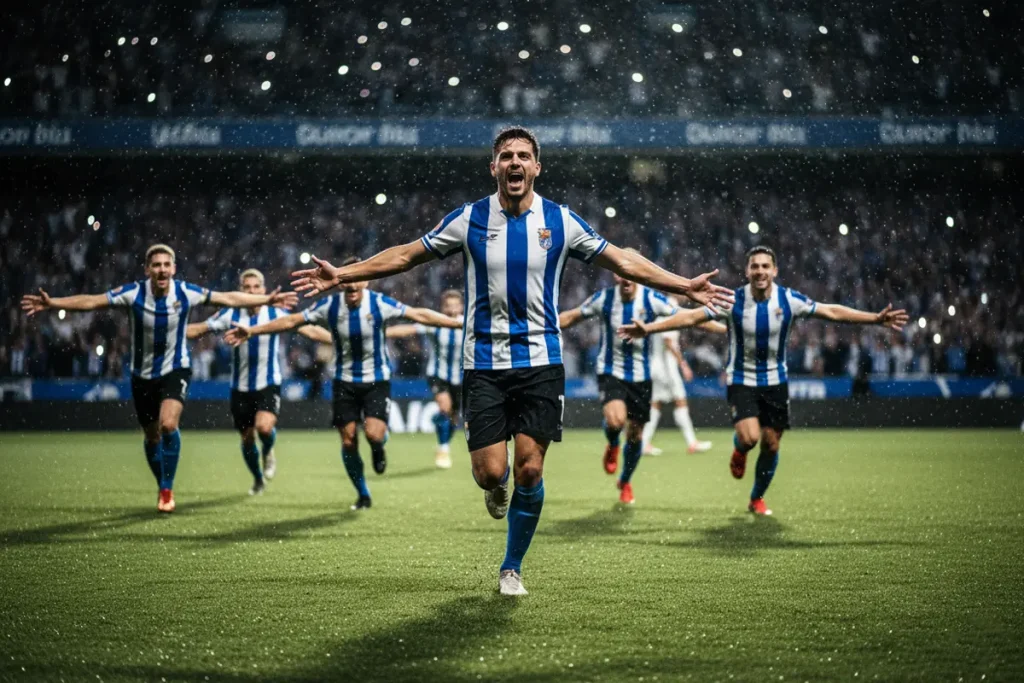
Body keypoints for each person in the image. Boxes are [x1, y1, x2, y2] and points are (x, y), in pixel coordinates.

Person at [288, 126, 733, 596]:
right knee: (490, 474)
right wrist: (343, 275)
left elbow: (622, 260)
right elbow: (405, 255)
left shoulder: (561, 221)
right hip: (483, 364)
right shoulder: (469, 218)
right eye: (506, 156)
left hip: (541, 363)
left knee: (530, 469)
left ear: (537, 167)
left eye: (524, 156)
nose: (515, 162)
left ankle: (511, 567)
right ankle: (495, 490)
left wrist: (682, 285)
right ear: (494, 167)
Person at [620, 245, 907, 516]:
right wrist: (649, 328)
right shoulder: (733, 300)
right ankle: (740, 449)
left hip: (775, 382)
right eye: (754, 266)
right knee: (750, 437)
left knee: (771, 444)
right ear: (747, 271)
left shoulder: (788, 300)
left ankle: (756, 497)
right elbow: (691, 318)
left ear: (774, 271)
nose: (760, 271)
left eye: (765, 266)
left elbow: (830, 311)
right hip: (741, 380)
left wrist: (874, 319)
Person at [19, 244, 297, 513]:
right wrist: (53, 302)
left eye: (167, 265)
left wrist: (267, 300)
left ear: (174, 268)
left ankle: (167, 489)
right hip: (142, 374)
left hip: (176, 369)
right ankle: (163, 483)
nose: (162, 270)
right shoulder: (133, 293)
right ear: (147, 269)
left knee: (168, 424)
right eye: (157, 265)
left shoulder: (187, 292)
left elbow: (228, 296)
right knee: (151, 436)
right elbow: (93, 301)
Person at [224, 257, 461, 510]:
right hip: (344, 382)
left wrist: (458, 323)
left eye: (357, 280)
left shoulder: (379, 303)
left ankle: (379, 447)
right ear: (339, 282)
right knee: (348, 440)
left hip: (376, 381)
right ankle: (363, 494)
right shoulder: (329, 306)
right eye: (347, 280)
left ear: (367, 281)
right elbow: (292, 321)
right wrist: (252, 330)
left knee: (373, 434)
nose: (352, 286)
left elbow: (418, 314)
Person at [186, 268, 333, 494]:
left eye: (256, 287)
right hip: (240, 387)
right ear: (241, 291)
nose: (252, 291)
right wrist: (169, 331)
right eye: (247, 288)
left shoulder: (276, 314)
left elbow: (311, 331)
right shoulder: (230, 315)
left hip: (268, 383)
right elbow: (200, 329)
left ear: (263, 290)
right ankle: (257, 479)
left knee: (264, 428)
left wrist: (341, 339)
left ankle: (268, 451)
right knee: (246, 439)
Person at [559, 256, 679, 505]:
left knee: (635, 435)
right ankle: (613, 443)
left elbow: (684, 316)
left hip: (641, 377)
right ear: (614, 274)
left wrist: (718, 320)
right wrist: (538, 323)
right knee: (616, 420)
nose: (624, 277)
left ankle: (625, 481)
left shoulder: (651, 299)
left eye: (630, 271)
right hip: (610, 371)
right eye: (619, 271)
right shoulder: (604, 299)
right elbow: (573, 316)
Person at [386, 289, 465, 469]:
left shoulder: (468, 323)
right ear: (442, 307)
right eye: (447, 305)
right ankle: (443, 449)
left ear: (461, 306)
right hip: (438, 375)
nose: (451, 309)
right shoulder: (436, 323)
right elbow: (408, 329)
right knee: (445, 408)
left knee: (453, 419)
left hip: (460, 377)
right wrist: (383, 331)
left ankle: (438, 422)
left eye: (455, 305)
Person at [641, 297, 723, 455]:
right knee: (680, 402)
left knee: (656, 404)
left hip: (657, 366)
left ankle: (644, 442)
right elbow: (668, 341)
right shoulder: (670, 310)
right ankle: (692, 442)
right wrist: (683, 364)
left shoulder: (662, 311)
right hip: (667, 368)